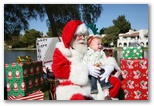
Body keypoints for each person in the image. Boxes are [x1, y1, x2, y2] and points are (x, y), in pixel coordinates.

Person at [51, 20, 121, 100]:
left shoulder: (85, 49)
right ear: (71, 36)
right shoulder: (62, 50)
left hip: (90, 81)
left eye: (84, 35)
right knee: (77, 98)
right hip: (71, 85)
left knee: (115, 82)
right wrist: (86, 69)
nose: (83, 38)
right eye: (80, 35)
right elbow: (59, 70)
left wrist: (110, 66)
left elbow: (100, 57)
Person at [83, 35, 121, 100]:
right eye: (98, 44)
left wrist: (103, 65)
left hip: (100, 68)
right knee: (93, 79)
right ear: (91, 45)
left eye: (101, 44)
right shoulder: (87, 52)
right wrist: (88, 66)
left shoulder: (101, 52)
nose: (100, 45)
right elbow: (84, 60)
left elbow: (105, 60)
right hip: (92, 69)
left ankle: (106, 93)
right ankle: (94, 93)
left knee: (104, 77)